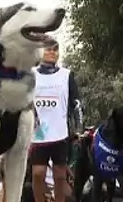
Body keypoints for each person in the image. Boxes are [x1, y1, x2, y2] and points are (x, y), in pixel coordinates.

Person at [31, 41, 83, 202]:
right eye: (48, 49)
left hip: (60, 131)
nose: (52, 52)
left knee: (60, 175)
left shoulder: (66, 75)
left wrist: (79, 126)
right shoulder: (30, 74)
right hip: (39, 131)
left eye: (56, 50)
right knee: (38, 173)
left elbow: (76, 103)